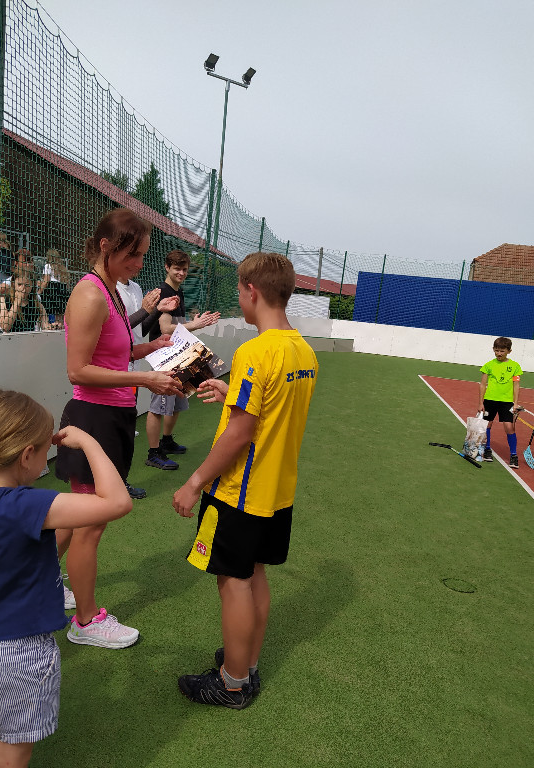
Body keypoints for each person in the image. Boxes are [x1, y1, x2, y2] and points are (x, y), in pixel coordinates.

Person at [173, 251, 318, 709]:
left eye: (239, 291)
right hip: (277, 490)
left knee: (232, 580)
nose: (239, 298)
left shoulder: (255, 351)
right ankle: (246, 665)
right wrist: (230, 390)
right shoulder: (303, 350)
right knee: (254, 574)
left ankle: (232, 683)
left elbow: (240, 433)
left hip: (239, 491)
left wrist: (194, 481)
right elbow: (270, 407)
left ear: (252, 291)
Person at [0, 389, 132, 768]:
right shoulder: (24, 505)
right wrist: (89, 442)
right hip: (16, 652)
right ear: (26, 456)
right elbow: (118, 502)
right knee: (12, 749)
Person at [54, 208, 183, 649]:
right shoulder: (90, 294)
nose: (139, 264)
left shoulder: (110, 291)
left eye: (143, 255)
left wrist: (154, 347)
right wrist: (145, 380)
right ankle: (86, 621)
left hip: (111, 417)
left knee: (75, 518)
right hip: (93, 418)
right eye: (133, 254)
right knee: (90, 524)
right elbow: (78, 370)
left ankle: (40, 581)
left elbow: (114, 353)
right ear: (106, 246)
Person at [145, 249, 220, 470]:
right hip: (163, 356)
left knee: (178, 398)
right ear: (167, 267)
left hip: (178, 354)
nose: (181, 273)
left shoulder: (178, 291)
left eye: (185, 269)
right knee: (158, 406)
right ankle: (153, 452)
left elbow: (177, 324)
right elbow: (165, 328)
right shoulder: (164, 292)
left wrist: (192, 323)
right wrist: (195, 325)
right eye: (177, 269)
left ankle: (166, 441)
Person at [116, 276, 180, 498]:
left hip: (132, 364)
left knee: (126, 427)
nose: (139, 264)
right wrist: (145, 310)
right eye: (134, 258)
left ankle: (120, 482)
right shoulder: (104, 288)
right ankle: (111, 485)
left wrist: (155, 311)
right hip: (114, 370)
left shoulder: (135, 287)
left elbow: (138, 331)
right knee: (115, 430)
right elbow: (116, 328)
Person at [479, 336, 522, 468]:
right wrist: (480, 403)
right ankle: (487, 449)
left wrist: (515, 403)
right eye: (496, 350)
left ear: (509, 351)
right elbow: (483, 385)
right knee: (487, 425)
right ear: (493, 349)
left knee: (509, 427)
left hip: (507, 402)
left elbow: (516, 386)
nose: (499, 353)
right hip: (490, 400)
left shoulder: (515, 366)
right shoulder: (488, 365)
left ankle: (513, 455)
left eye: (502, 351)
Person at [0, 264, 52, 332]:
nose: (23, 289)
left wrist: (52, 327)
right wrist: (17, 302)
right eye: (19, 284)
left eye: (27, 285)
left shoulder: (37, 304)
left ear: (32, 286)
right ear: (13, 283)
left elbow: (45, 327)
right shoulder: (2, 300)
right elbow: (5, 327)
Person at [39, 249, 71, 325]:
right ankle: (60, 325)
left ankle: (50, 324)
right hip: (61, 288)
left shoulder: (48, 266)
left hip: (51, 288)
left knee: (49, 308)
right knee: (59, 311)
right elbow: (66, 282)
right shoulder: (62, 268)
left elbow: (46, 280)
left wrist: (39, 291)